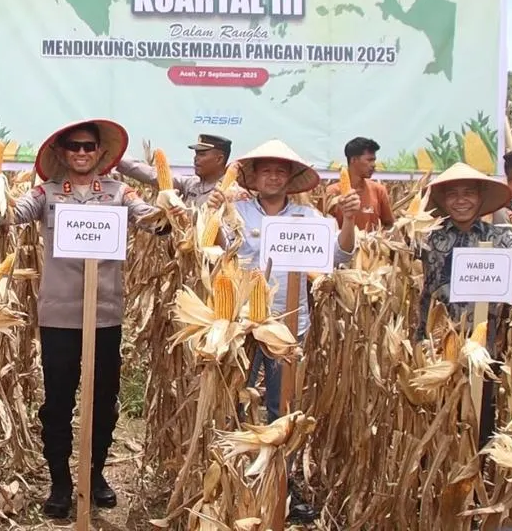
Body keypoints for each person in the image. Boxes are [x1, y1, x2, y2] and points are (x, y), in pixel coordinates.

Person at [0, 119, 165, 519]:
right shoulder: (45, 193)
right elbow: (11, 216)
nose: (82, 153)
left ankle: (94, 476)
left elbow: (152, 220)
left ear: (100, 152)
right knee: (58, 403)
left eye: (89, 147)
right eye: (74, 147)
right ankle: (61, 482)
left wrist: (168, 213)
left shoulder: (119, 193)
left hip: (105, 315)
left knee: (103, 402)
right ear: (61, 153)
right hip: (60, 316)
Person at [212, 139, 356, 523]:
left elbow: (341, 256)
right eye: (266, 169)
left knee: (283, 408)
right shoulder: (237, 211)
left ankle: (283, 488)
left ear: (290, 178)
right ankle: (232, 482)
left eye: (280, 170)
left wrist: (350, 220)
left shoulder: (308, 220)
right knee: (235, 403)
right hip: (241, 325)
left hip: (290, 327)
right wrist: (210, 213)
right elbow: (212, 245)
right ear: (255, 176)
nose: (273, 175)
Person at [415, 162, 512, 449]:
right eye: (452, 194)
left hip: (487, 343)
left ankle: (476, 482)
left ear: (481, 197)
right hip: (440, 345)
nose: (460, 200)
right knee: (439, 419)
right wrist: (419, 338)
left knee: (482, 417)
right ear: (443, 200)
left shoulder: (502, 237)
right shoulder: (429, 238)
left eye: (468, 193)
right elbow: (419, 286)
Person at [117, 133, 245, 206]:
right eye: (196, 154)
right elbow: (152, 175)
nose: (196, 159)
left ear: (219, 159)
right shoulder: (191, 184)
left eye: (202, 154)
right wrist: (114, 157)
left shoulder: (234, 193)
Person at [322, 136, 393, 231]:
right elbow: (322, 227)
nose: (373, 165)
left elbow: (389, 225)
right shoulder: (331, 193)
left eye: (374, 160)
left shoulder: (379, 191)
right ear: (353, 160)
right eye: (369, 160)